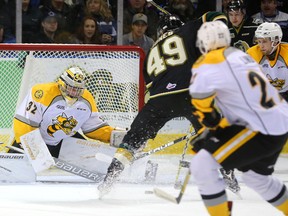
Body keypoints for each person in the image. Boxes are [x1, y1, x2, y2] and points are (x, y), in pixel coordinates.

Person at [97, 11, 229, 197]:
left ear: (160, 31)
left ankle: (111, 176)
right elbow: (215, 15)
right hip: (192, 93)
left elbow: (151, 87)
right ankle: (228, 173)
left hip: (159, 100)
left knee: (132, 141)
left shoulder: (150, 52)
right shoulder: (187, 30)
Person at [189, 20, 288, 216]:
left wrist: (212, 123)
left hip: (261, 128)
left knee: (202, 164)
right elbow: (244, 100)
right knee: (256, 178)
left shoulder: (208, 61)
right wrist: (220, 125)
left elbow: (200, 100)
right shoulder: (242, 56)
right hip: (280, 121)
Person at [9, 66, 122, 158]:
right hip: (36, 141)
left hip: (62, 142)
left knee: (92, 157)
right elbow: (25, 123)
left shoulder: (87, 98)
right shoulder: (43, 93)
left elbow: (94, 128)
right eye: (72, 88)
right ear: (62, 83)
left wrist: (115, 136)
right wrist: (34, 149)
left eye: (78, 89)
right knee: (11, 171)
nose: (74, 92)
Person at [247, 22, 288, 101]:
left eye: (264, 41)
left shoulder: (286, 52)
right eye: (259, 41)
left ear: (275, 41)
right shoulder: (252, 53)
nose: (261, 46)